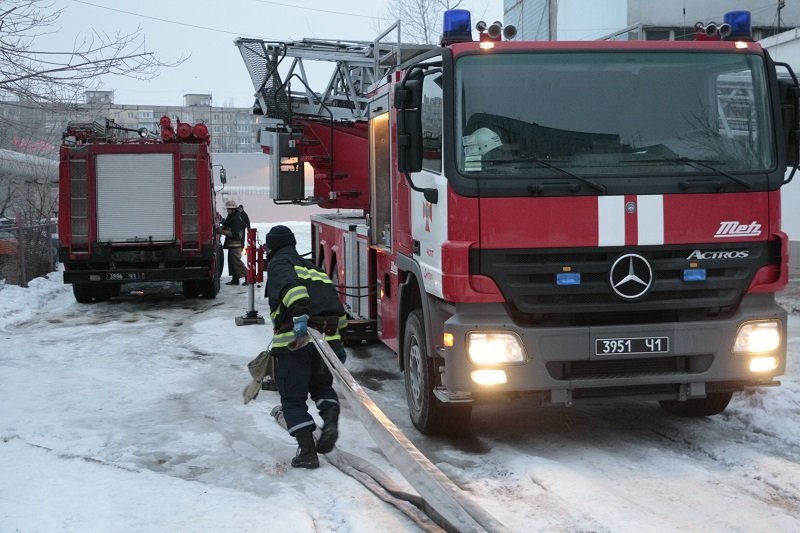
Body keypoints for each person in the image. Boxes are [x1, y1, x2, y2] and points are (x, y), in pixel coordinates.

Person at [264, 224, 348, 469]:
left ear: (272, 246)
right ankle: (330, 421)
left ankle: (307, 451)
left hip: (295, 342)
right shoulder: (314, 269)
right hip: (326, 343)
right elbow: (338, 309)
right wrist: (338, 342)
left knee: (292, 398)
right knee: (321, 386)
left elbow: (292, 290)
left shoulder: (279, 264)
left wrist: (300, 313)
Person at [219, 199, 247, 286]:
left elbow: (233, 233)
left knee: (237, 263)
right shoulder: (231, 218)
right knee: (232, 264)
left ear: (233, 209)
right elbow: (226, 225)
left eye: (229, 209)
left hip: (236, 245)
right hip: (232, 245)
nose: (227, 211)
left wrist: (220, 231)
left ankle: (248, 277)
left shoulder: (236, 220)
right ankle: (235, 280)